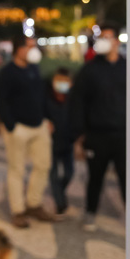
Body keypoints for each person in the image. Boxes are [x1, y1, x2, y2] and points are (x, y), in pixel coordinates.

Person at [69, 24, 126, 232]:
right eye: (101, 37)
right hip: (97, 134)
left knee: (126, 177)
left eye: (108, 37)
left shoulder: (128, 67)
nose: (104, 41)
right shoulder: (90, 69)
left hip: (122, 134)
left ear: (117, 41)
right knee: (95, 177)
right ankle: (90, 212)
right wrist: (79, 135)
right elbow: (77, 102)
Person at [0, 34, 55, 228]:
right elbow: (1, 100)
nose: (33, 50)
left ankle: (34, 204)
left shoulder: (34, 69)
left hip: (39, 126)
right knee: (17, 170)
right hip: (18, 128)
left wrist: (47, 118)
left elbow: (42, 96)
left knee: (43, 165)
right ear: (18, 49)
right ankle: (18, 211)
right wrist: (11, 126)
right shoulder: (7, 73)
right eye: (29, 46)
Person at [46, 68, 74, 215]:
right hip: (51, 142)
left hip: (67, 141)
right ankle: (59, 203)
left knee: (69, 173)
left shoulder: (72, 98)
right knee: (54, 175)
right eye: (59, 80)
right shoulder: (46, 97)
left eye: (65, 81)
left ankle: (59, 192)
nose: (62, 83)